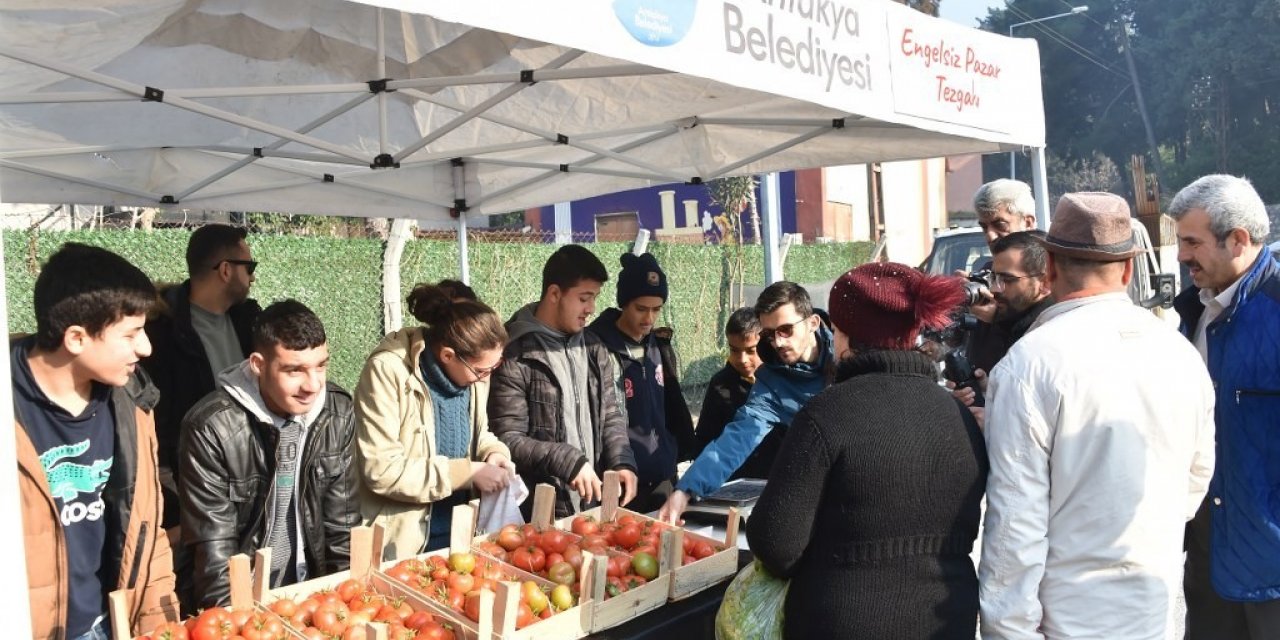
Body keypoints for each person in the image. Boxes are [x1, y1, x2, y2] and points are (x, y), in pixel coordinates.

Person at [979, 192, 1216, 639]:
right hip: (1154, 609)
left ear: (1049, 267)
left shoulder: (1030, 364)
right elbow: (1196, 476)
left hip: (1069, 618)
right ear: (1127, 270)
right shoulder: (1179, 353)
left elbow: (1014, 523)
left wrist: (1008, 630)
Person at [747, 262, 985, 639]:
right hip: (947, 619)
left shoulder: (827, 414)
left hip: (844, 621)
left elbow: (775, 542)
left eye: (838, 330)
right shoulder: (958, 414)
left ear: (848, 335)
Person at [15, 243, 177, 639]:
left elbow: (147, 531)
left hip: (108, 625)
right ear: (76, 338)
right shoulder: (12, 406)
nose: (147, 348)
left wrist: (160, 628)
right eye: (132, 333)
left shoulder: (132, 402)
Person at [179, 300, 359, 608]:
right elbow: (214, 550)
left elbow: (342, 527)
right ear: (258, 365)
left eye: (321, 365)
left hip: (312, 597)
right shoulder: (211, 426)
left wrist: (350, 606)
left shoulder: (337, 411)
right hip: (246, 600)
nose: (313, 385)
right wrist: (233, 624)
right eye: (294, 370)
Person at [1169, 174, 1280, 639]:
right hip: (1209, 556)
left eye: (1191, 242)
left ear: (1238, 240)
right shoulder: (1192, 313)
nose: (1180, 256)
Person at [355, 282, 516, 560]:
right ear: (447, 355)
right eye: (481, 370)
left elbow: (479, 433)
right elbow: (382, 470)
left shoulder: (474, 377)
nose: (487, 377)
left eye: (494, 367)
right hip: (403, 546)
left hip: (462, 537)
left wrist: (493, 452)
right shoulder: (386, 371)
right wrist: (467, 473)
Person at [659, 281, 834, 525]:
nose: (778, 342)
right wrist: (686, 489)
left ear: (812, 323)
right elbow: (737, 438)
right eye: (770, 334)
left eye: (786, 329)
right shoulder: (771, 381)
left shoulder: (848, 354)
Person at [488, 245, 638, 518]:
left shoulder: (594, 347)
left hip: (592, 509)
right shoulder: (515, 352)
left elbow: (611, 414)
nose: (591, 308)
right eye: (584, 298)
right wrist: (567, 460)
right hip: (540, 513)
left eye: (594, 298)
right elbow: (506, 438)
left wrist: (621, 461)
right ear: (554, 293)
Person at [143, 224, 261, 479]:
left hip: (248, 475)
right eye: (249, 267)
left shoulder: (251, 322)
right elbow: (157, 426)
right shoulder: (161, 334)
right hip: (194, 482)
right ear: (226, 270)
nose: (252, 277)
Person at [587, 253, 696, 513]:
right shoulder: (595, 346)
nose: (649, 318)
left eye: (656, 309)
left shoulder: (658, 344)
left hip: (663, 477)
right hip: (621, 479)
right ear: (624, 303)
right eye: (641, 308)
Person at [951, 231, 1053, 417]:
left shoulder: (1049, 336)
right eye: (994, 277)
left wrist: (992, 422)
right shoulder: (1009, 322)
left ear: (1044, 283)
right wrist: (986, 391)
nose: (996, 289)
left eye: (1007, 280)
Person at [965, 179, 1038, 373]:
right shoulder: (985, 272)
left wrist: (999, 317)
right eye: (984, 227)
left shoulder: (1055, 270)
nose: (990, 235)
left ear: (1028, 222)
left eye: (1000, 224)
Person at [693, 307, 762, 458]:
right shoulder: (720, 384)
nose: (742, 359)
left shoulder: (781, 382)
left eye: (751, 351)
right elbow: (706, 437)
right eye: (735, 350)